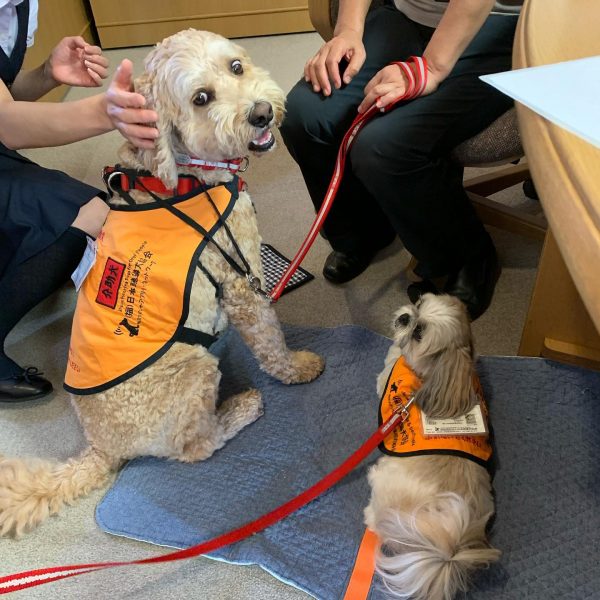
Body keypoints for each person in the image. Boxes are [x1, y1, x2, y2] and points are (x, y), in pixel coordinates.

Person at [280, 0, 521, 320]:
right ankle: (364, 231)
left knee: (383, 146)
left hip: (498, 23)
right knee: (304, 116)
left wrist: (431, 66)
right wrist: (348, 30)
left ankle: (468, 257)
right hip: (405, 15)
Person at [0, 0, 159, 402]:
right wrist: (107, 113)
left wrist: (46, 74)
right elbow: (7, 124)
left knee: (96, 215)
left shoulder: (19, 7)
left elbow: (6, 91)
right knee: (81, 216)